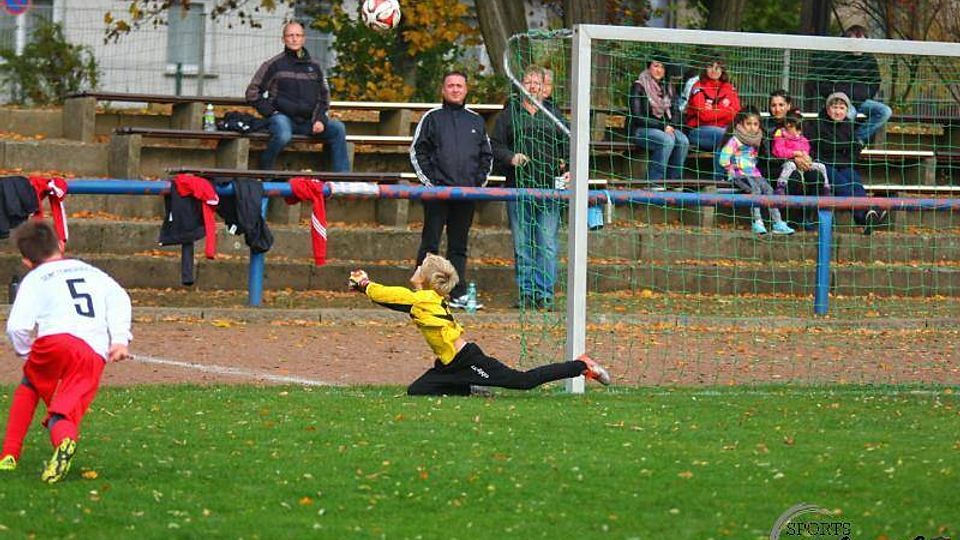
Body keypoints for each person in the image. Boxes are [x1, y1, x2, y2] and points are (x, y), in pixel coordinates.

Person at [347, 253, 611, 396]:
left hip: (467, 359)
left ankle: (581, 366)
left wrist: (364, 284)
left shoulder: (422, 299)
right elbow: (396, 300)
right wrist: (365, 288)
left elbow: (389, 295)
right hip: (449, 364)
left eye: (420, 267)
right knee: (418, 391)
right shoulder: (425, 298)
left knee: (523, 382)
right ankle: (470, 388)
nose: (416, 268)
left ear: (425, 278)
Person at [0, 220, 132, 483]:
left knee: (30, 382)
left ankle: (9, 455)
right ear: (61, 245)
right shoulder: (91, 272)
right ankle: (64, 440)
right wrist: (119, 339)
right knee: (61, 412)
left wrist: (27, 352)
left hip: (54, 342)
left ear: (26, 261)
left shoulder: (34, 279)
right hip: (92, 352)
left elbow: (17, 327)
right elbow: (120, 298)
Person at [410, 70, 493, 310]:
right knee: (430, 244)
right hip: (437, 194)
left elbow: (486, 156)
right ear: (443, 90)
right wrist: (432, 184)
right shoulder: (431, 118)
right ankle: (423, 292)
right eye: (451, 85)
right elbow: (417, 151)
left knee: (458, 246)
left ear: (466, 90)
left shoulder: (476, 121)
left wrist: (476, 185)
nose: (455, 89)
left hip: (466, 196)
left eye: (459, 86)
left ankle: (458, 294)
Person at [491, 65, 568, 310]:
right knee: (522, 244)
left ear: (545, 88)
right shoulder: (509, 114)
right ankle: (526, 292)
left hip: (550, 190)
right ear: (521, 85)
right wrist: (510, 157)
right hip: (518, 189)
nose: (533, 86)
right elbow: (494, 145)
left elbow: (569, 143)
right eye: (528, 82)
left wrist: (568, 166)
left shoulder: (555, 114)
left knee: (547, 244)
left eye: (537, 82)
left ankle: (545, 294)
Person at [246, 21, 350, 172]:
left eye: (298, 35)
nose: (294, 39)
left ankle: (342, 179)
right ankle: (265, 170)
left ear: (303, 39)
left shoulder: (315, 66)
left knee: (338, 128)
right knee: (283, 134)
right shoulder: (273, 65)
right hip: (283, 119)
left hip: (309, 122)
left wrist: (320, 119)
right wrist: (272, 112)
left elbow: (324, 97)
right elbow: (252, 93)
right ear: (283, 39)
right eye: (290, 35)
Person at [805, 92, 886, 234]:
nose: (838, 111)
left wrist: (846, 154)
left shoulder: (848, 126)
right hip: (823, 164)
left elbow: (854, 149)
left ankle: (866, 216)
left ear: (847, 110)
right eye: (834, 107)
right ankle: (865, 215)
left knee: (855, 182)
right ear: (828, 108)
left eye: (842, 108)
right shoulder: (817, 125)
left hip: (843, 164)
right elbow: (818, 148)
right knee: (842, 184)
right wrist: (841, 149)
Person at [809, 24, 892, 145]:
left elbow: (875, 81)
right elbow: (818, 79)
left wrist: (865, 94)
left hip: (862, 102)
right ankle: (842, 142)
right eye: (854, 41)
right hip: (841, 102)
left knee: (885, 111)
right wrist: (834, 93)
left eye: (861, 42)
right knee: (847, 114)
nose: (858, 46)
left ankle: (856, 139)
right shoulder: (835, 57)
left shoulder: (869, 59)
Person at [718, 106, 795, 236]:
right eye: (748, 124)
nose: (752, 127)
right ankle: (757, 221)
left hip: (754, 173)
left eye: (755, 124)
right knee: (755, 190)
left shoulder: (756, 139)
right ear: (740, 123)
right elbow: (723, 158)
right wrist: (732, 168)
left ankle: (778, 222)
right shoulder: (735, 140)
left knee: (769, 190)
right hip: (739, 174)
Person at [629, 53, 690, 182]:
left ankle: (673, 181)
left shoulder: (668, 87)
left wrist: (671, 125)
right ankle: (654, 181)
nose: (659, 70)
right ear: (649, 67)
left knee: (683, 140)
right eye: (656, 66)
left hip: (665, 128)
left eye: (662, 67)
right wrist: (663, 126)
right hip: (641, 129)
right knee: (666, 140)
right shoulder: (639, 86)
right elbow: (637, 117)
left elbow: (676, 112)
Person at [684, 58, 741, 178]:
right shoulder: (698, 87)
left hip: (724, 130)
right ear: (705, 68)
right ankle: (719, 181)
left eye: (718, 67)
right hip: (698, 131)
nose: (714, 70)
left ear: (722, 70)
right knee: (726, 136)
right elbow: (704, 115)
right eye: (710, 66)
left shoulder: (729, 88)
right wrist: (725, 110)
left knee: (736, 137)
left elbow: (736, 113)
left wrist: (714, 109)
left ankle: (734, 178)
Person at [771, 111, 831, 195]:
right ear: (788, 125)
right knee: (790, 166)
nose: (799, 133)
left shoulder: (801, 138)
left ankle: (826, 187)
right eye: (797, 129)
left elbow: (806, 148)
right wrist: (794, 153)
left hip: (804, 163)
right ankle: (781, 185)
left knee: (821, 166)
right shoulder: (781, 136)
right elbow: (778, 151)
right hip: (788, 162)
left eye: (800, 130)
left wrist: (806, 157)